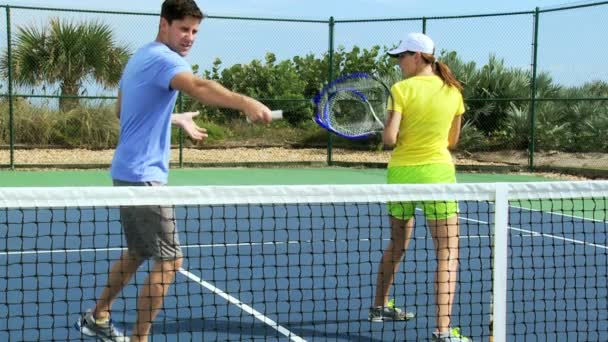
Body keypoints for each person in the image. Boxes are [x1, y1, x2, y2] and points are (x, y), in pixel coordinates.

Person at [74, 1, 273, 341]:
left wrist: (174, 119)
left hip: (125, 171)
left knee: (138, 251)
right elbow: (198, 87)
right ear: (164, 24)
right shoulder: (166, 60)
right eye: (183, 29)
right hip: (145, 177)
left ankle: (98, 316)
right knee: (170, 261)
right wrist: (246, 102)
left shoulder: (140, 56)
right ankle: (140, 338)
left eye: (195, 31)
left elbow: (124, 110)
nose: (189, 37)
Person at [368, 33, 469, 342]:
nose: (399, 62)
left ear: (418, 56)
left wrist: (391, 130)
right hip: (438, 176)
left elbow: (390, 140)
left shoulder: (400, 90)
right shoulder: (453, 92)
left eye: (402, 56)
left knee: (398, 244)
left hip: (401, 176)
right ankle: (442, 331)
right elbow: (452, 141)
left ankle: (379, 307)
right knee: (448, 253)